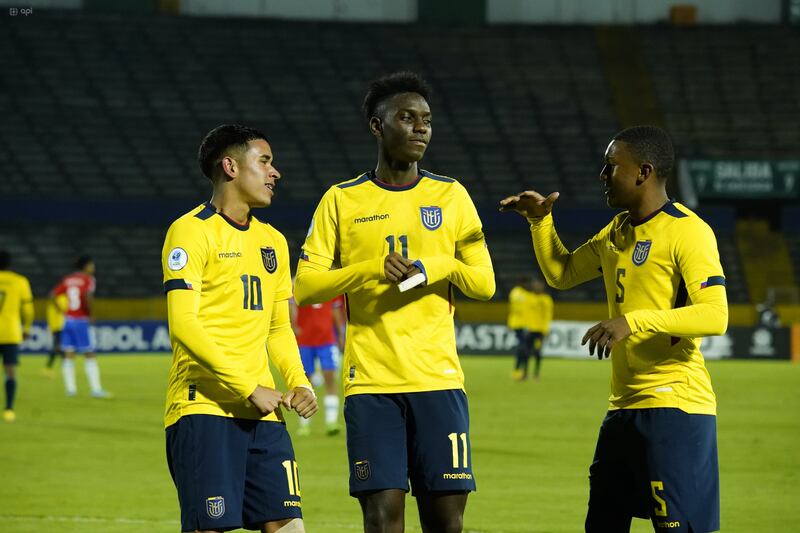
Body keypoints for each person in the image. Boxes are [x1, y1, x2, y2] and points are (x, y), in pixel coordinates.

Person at [500, 125, 727, 533]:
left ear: (643, 171)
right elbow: (562, 273)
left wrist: (633, 321)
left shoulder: (688, 231)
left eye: (610, 167)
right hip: (622, 409)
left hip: (674, 407)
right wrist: (540, 223)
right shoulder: (617, 231)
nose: (602, 177)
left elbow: (715, 315)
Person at [295, 72, 495, 533]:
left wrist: (438, 266)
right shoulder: (341, 200)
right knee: (382, 519)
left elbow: (484, 284)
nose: (421, 128)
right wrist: (368, 269)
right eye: (407, 118)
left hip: (438, 381)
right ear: (377, 126)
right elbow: (305, 287)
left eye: (426, 119)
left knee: (447, 523)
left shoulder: (452, 195)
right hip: (372, 384)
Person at [161, 124, 318, 533]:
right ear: (230, 166)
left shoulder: (273, 241)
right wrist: (247, 386)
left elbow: (278, 329)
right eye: (264, 161)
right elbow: (184, 325)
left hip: (264, 417)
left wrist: (299, 382)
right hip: (205, 409)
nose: (275, 172)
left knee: (289, 525)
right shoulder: (190, 231)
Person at [52, 255, 110, 398]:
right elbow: (86, 297)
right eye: (91, 265)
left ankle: (70, 389)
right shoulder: (88, 280)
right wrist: (90, 313)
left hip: (68, 320)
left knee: (69, 354)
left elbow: (53, 295)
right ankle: (96, 389)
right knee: (90, 354)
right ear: (86, 266)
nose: (93, 268)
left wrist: (61, 310)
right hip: (81, 321)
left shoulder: (67, 279)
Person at [289, 293, 346, 436]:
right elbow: (290, 307)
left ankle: (331, 422)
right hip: (305, 341)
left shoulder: (331, 287)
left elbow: (335, 312)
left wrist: (340, 335)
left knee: (330, 380)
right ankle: (304, 425)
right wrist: (293, 327)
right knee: (304, 383)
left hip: (327, 340)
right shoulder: (298, 286)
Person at [0, 250, 34, 422]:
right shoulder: (20, 281)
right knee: (10, 371)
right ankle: (9, 408)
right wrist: (26, 327)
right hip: (10, 332)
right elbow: (28, 310)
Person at [507, 276, 553, 381]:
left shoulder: (546, 299)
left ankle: (536, 374)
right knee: (526, 352)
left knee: (537, 352)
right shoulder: (529, 297)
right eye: (535, 285)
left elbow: (548, 315)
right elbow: (523, 311)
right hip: (530, 330)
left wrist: (546, 329)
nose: (537, 287)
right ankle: (525, 373)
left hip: (540, 331)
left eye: (539, 285)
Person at [42, 292, 67, 377]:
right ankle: (50, 368)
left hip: (60, 326)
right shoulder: (57, 300)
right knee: (58, 348)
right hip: (57, 327)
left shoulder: (63, 298)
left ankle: (64, 367)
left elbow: (63, 310)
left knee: (59, 348)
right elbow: (58, 311)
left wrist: (55, 300)